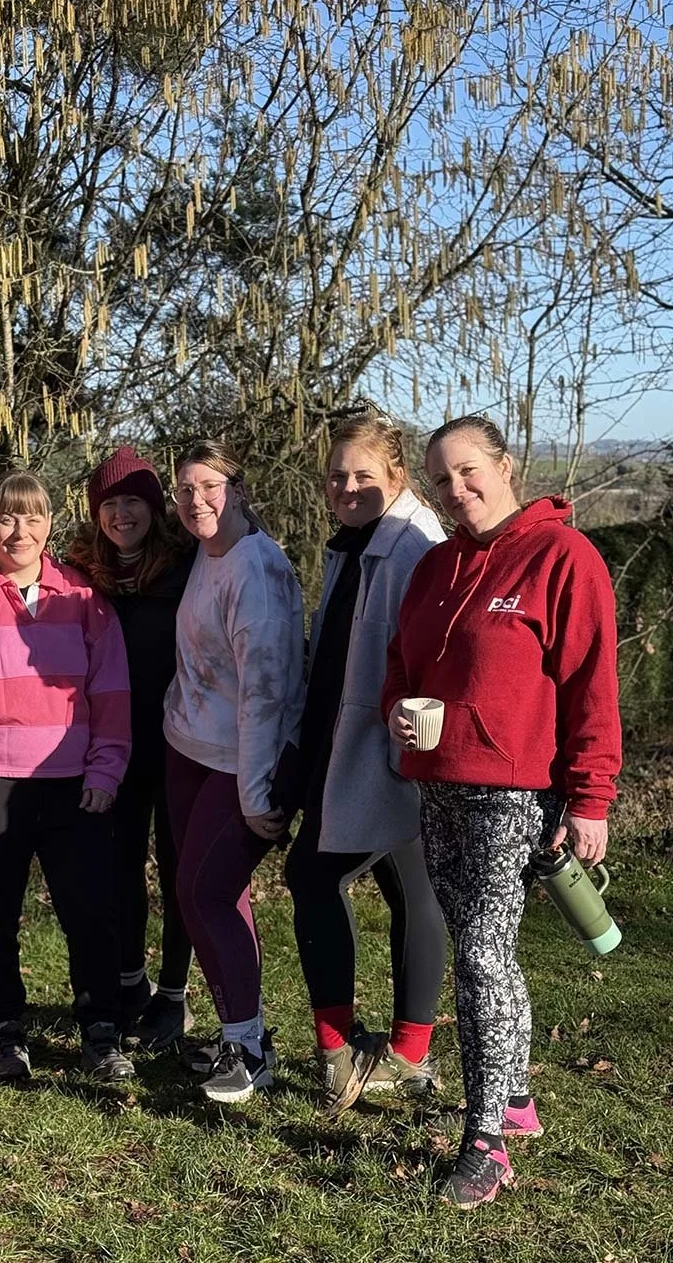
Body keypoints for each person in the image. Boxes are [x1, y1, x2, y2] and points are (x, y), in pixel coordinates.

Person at [383, 414, 621, 1208]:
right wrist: (394, 710)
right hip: (437, 783)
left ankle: (484, 1141)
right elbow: (401, 662)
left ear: (505, 466)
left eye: (468, 471)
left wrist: (591, 796)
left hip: (515, 793)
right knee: (481, 949)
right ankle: (514, 1097)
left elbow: (592, 687)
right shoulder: (434, 566)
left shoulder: (562, 557)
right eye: (440, 479)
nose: (457, 490)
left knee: (481, 958)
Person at [0, 470, 135, 1083]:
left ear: (50, 524)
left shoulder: (83, 599)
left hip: (75, 783)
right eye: (6, 518)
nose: (19, 531)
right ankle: (6, 1028)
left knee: (89, 911)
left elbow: (111, 691)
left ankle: (100, 1030)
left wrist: (106, 768)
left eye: (32, 518)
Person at [281, 414, 448, 1115]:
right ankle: (407, 1051)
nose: (347, 487)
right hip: (346, 746)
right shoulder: (355, 541)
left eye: (363, 475)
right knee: (411, 886)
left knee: (311, 873)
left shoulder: (411, 546)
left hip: (387, 751)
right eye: (336, 476)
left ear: (398, 477)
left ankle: (340, 1052)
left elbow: (432, 656)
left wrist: (402, 745)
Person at [163, 439, 304, 1103]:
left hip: (241, 763)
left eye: (208, 486)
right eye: (184, 490)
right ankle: (238, 1033)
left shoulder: (258, 572)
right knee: (217, 895)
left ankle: (247, 1050)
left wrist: (255, 793)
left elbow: (266, 695)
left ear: (238, 488)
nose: (196, 501)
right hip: (189, 748)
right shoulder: (204, 550)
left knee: (203, 893)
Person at [68, 446, 195, 1048]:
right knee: (117, 869)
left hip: (178, 742)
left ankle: (174, 995)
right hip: (108, 745)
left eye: (134, 502)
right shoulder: (78, 574)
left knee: (178, 870)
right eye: (110, 503)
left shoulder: (188, 564)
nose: (122, 514)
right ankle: (129, 983)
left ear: (154, 508)